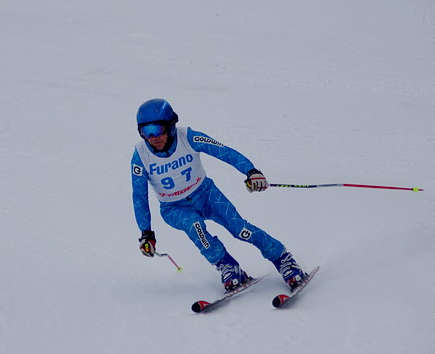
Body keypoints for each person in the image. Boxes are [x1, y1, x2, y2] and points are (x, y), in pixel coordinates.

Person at [130, 98, 307, 292]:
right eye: (146, 132)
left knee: (240, 229)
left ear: (171, 127)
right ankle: (228, 267)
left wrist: (251, 171)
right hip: (174, 208)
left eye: (158, 129)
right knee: (196, 228)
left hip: (206, 194)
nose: (153, 138)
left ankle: (282, 259)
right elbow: (139, 196)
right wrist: (146, 233)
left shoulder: (188, 138)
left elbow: (224, 152)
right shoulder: (140, 156)